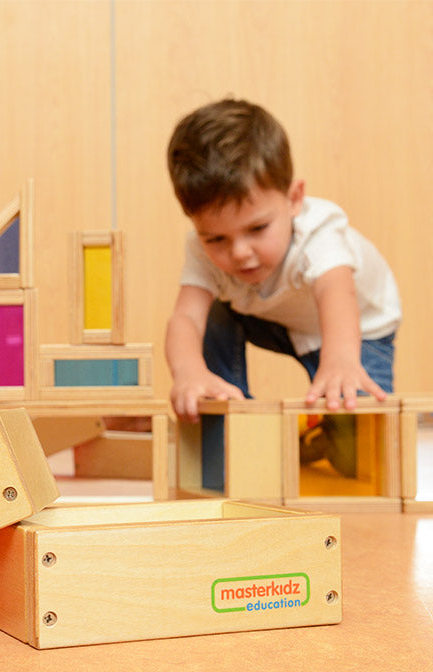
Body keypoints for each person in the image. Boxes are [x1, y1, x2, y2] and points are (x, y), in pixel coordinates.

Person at [164, 98, 401, 475]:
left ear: (294, 199)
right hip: (271, 317)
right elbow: (185, 319)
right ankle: (231, 420)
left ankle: (317, 438)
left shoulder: (319, 230)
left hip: (353, 330)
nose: (239, 253)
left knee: (360, 458)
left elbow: (336, 292)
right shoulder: (200, 248)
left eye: (257, 229)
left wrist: (340, 360)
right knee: (213, 314)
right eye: (216, 239)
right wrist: (189, 371)